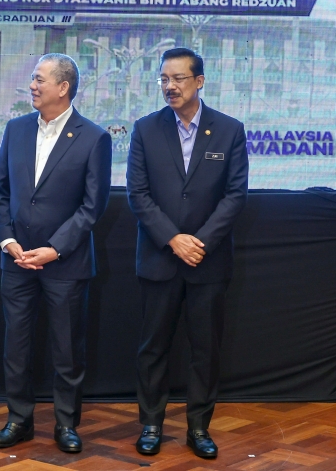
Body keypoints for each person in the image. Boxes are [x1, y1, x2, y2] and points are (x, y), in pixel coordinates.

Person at [127, 48, 248, 460]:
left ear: (199, 81)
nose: (169, 86)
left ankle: (198, 428)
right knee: (153, 348)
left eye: (178, 78)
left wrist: (200, 242)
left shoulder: (229, 130)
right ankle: (151, 424)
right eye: (164, 79)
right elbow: (138, 195)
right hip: (160, 258)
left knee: (204, 348)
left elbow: (234, 196)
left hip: (207, 261)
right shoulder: (145, 129)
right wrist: (172, 238)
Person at [0, 54, 112, 454]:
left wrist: (54, 249)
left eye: (39, 79)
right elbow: (0, 193)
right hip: (16, 260)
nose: (32, 85)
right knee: (16, 347)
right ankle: (19, 421)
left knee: (66, 349)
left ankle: (65, 424)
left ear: (64, 87)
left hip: (66, 263)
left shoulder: (94, 137)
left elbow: (92, 207)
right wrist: (7, 241)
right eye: (32, 79)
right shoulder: (16, 128)